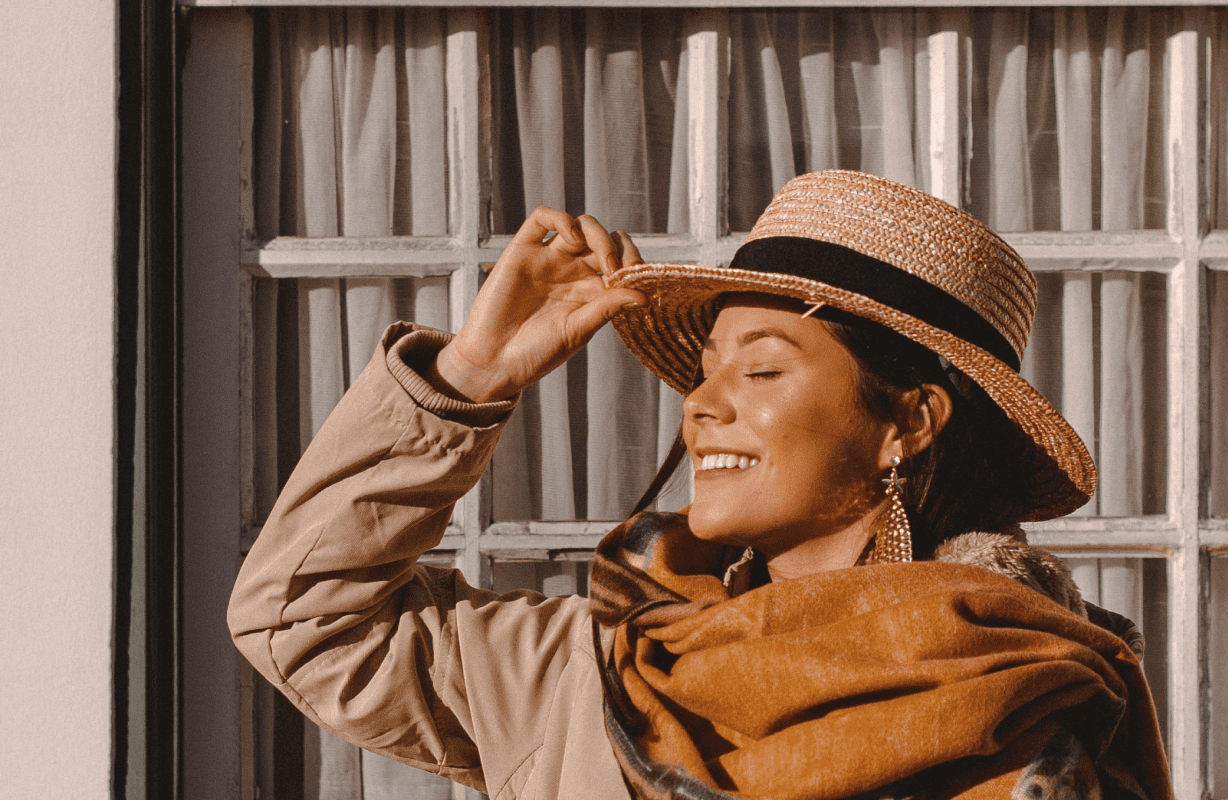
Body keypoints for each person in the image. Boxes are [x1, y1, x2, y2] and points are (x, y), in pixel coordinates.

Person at [229, 170, 1174, 800]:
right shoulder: (594, 673)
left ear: (908, 420)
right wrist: (471, 377)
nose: (703, 407)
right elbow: (304, 616)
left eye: (761, 371)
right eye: (705, 370)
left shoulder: (1027, 699)